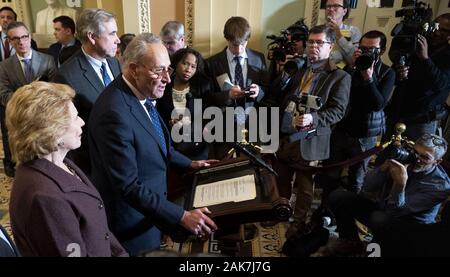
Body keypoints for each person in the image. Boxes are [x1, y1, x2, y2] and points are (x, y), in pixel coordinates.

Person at [88, 33, 218, 256]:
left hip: (151, 212)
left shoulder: (141, 93)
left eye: (168, 68)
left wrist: (191, 164)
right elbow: (128, 185)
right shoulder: (113, 113)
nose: (168, 78)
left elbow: (158, 143)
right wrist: (182, 216)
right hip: (132, 222)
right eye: (159, 70)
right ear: (134, 68)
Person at [6, 82, 128, 257]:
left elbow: (99, 231)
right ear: (52, 130)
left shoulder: (61, 162)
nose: (82, 122)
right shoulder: (44, 197)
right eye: (75, 117)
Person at [273, 24, 351, 238]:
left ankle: (298, 223)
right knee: (282, 177)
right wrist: (284, 75)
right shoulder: (298, 69)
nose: (313, 46)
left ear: (330, 46)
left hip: (311, 137)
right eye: (310, 42)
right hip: (287, 133)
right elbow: (280, 95)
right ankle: (281, 212)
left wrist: (314, 118)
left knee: (305, 188)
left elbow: (338, 111)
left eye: (319, 42)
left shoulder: (340, 77)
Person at [327, 133, 450, 256]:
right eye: (415, 152)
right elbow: (368, 187)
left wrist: (400, 183)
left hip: (412, 227)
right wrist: (383, 169)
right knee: (338, 197)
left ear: (437, 161)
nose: (416, 159)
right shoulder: (404, 160)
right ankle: (351, 242)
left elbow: (396, 211)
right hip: (384, 211)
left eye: (425, 157)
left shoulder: (440, 186)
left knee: (379, 219)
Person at [315, 30, 395, 212]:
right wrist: (352, 67)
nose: (366, 52)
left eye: (371, 49)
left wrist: (368, 77)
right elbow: (339, 93)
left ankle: (348, 215)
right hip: (342, 129)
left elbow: (378, 104)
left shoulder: (387, 73)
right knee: (331, 173)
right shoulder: (350, 69)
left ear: (381, 51)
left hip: (365, 134)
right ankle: (325, 211)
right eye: (363, 48)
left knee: (356, 179)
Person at [53, 8, 121, 175]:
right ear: (92, 37)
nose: (118, 40)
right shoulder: (65, 76)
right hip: (95, 162)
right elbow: (67, 129)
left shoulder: (114, 63)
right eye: (112, 34)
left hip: (122, 152)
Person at [206, 16, 268, 159]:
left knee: (253, 169)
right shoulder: (212, 63)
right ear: (226, 39)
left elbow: (267, 89)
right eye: (234, 44)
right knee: (225, 170)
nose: (239, 49)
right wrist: (227, 95)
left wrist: (259, 92)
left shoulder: (259, 58)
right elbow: (207, 97)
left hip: (253, 125)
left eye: (243, 43)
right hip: (224, 127)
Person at [0, 21, 56, 177]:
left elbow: (54, 90)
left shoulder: (48, 60)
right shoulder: (4, 66)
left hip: (44, 116)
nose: (21, 41)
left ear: (30, 37)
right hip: (20, 119)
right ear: (10, 41)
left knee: (48, 157)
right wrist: (28, 100)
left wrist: (32, 100)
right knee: (27, 162)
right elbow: (3, 94)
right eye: (15, 38)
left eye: (24, 36)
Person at [386, 13, 450, 141]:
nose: (437, 33)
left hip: (421, 121)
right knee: (386, 156)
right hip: (397, 113)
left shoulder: (447, 55)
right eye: (436, 27)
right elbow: (394, 73)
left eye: (444, 31)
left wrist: (425, 58)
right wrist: (399, 72)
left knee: (417, 159)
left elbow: (440, 84)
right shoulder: (415, 43)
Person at [157, 47, 212, 160]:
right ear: (176, 63)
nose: (188, 70)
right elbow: (159, 115)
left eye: (193, 67)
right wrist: (170, 124)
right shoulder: (164, 85)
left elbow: (207, 118)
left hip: (197, 148)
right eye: (185, 64)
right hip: (171, 147)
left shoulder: (202, 87)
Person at [325, 0, 361, 68]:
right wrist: (339, 56)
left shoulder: (353, 31)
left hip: (346, 73)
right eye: (328, 6)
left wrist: (338, 33)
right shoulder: (318, 31)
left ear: (344, 11)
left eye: (336, 6)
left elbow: (353, 60)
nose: (331, 9)